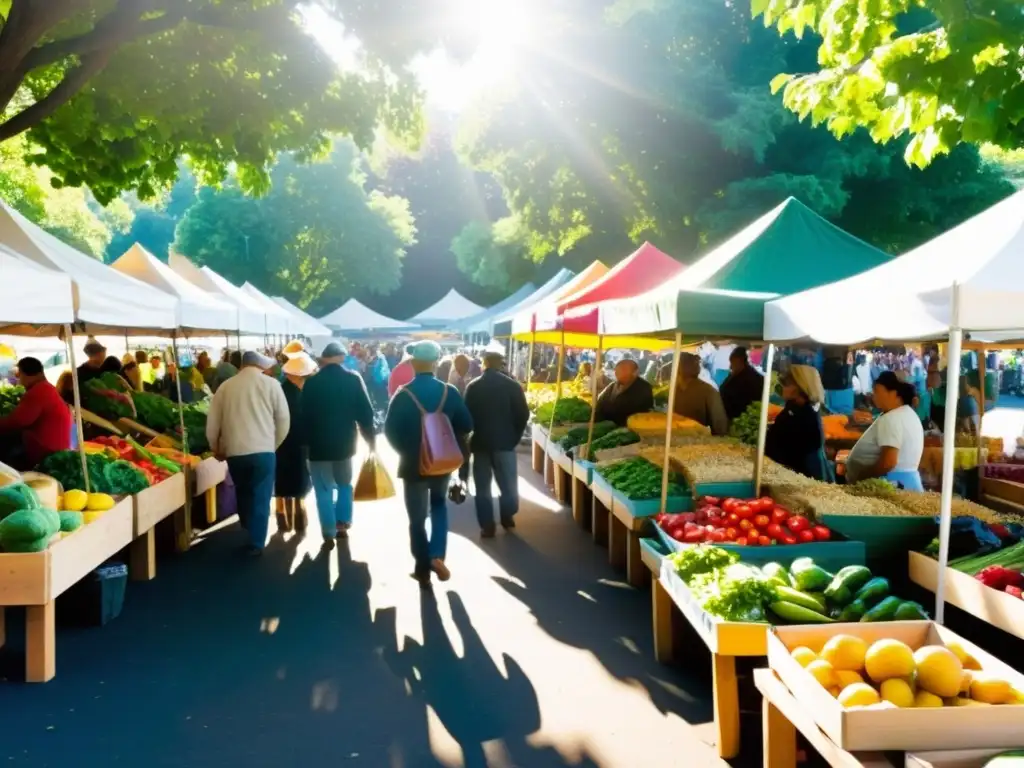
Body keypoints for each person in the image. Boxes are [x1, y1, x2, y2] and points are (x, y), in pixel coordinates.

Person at [384, 340, 472, 588]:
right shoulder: (449, 392)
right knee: (439, 506)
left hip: (412, 466)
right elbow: (467, 424)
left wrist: (409, 451)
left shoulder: (403, 395)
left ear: (412, 363)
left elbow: (390, 431)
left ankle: (422, 567)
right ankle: (437, 555)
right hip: (442, 463)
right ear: (435, 363)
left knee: (416, 519)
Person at [206, 351, 290, 556]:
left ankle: (247, 525)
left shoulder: (225, 387)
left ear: (241, 365)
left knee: (243, 490)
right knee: (261, 495)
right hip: (264, 451)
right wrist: (274, 444)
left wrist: (215, 446)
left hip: (235, 451)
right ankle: (256, 541)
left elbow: (212, 422)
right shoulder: (272, 385)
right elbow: (283, 420)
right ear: (260, 365)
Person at [302, 342, 376, 546]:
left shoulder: (312, 382)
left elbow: (302, 416)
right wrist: (371, 441)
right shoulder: (353, 378)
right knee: (344, 484)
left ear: (324, 359)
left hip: (317, 445)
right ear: (343, 357)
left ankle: (328, 531)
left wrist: (303, 444)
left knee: (323, 489)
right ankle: (342, 523)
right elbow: (366, 414)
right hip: (345, 444)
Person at [463, 351, 529, 537]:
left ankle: (487, 525)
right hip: (505, 442)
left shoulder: (473, 387)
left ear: (484, 364)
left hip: (481, 443)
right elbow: (523, 414)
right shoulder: (513, 386)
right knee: (508, 484)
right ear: (500, 365)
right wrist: (514, 436)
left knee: (482, 487)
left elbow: (466, 417)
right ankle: (507, 515)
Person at [845, 371, 925, 490]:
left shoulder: (892, 418)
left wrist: (862, 476)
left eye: (877, 391)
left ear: (894, 393)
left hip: (892, 484)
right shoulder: (907, 413)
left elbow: (888, 462)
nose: (873, 395)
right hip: (906, 482)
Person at [0, 357, 72, 469]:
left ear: (26, 374)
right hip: (57, 448)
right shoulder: (48, 388)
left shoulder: (38, 392)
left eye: (19, 373)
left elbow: (18, 421)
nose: (18, 378)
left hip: (44, 451)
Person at [275, 352, 317, 533]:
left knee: (284, 482)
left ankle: (283, 519)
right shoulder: (298, 393)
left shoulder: (280, 390)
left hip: (282, 443)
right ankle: (299, 517)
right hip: (296, 442)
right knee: (298, 481)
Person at [765, 365, 830, 480]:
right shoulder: (799, 411)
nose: (783, 387)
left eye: (786, 384)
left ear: (799, 387)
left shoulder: (802, 416)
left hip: (794, 480)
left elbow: (787, 452)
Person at [673, 352, 729, 436]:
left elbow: (720, 425)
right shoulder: (675, 390)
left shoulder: (708, 391)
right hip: (676, 439)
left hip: (700, 442)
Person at [593, 359, 655, 427]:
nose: (617, 373)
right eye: (616, 370)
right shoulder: (613, 385)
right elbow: (600, 402)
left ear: (635, 373)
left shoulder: (644, 388)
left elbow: (635, 410)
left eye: (623, 370)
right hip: (605, 425)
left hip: (628, 429)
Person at [719, 347, 764, 422]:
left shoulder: (753, 378)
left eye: (732, 362)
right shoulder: (735, 375)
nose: (730, 367)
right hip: (730, 417)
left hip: (742, 421)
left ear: (739, 361)